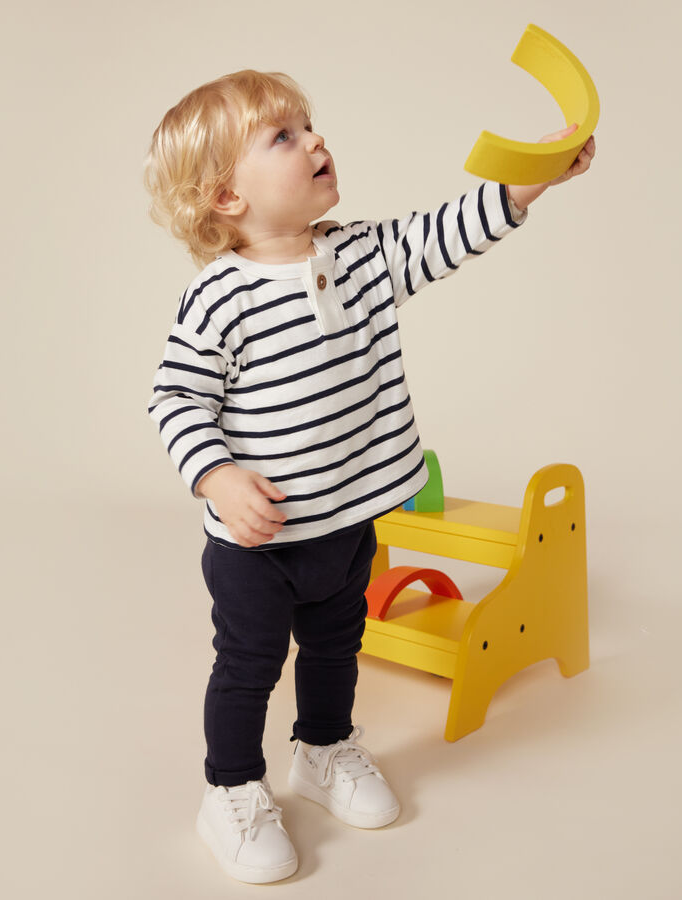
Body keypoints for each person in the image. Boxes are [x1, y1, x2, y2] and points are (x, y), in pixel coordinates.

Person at [143, 69, 595, 884]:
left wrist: (536, 179)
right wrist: (214, 477)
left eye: (309, 124)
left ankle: (322, 749)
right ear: (224, 199)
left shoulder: (361, 254)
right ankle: (232, 791)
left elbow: (448, 230)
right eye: (283, 136)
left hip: (346, 524)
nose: (315, 140)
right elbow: (175, 395)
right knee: (247, 665)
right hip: (261, 544)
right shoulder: (217, 298)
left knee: (333, 645)